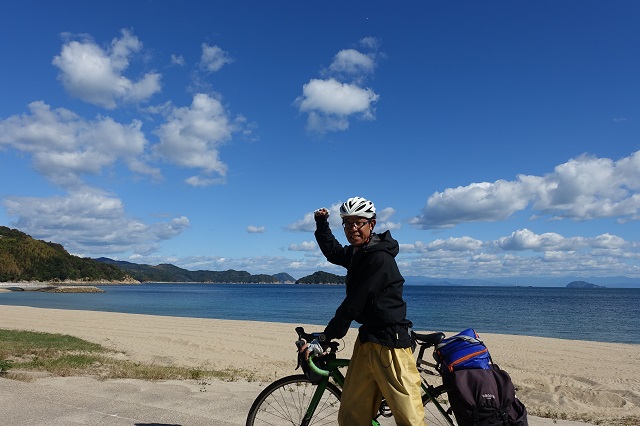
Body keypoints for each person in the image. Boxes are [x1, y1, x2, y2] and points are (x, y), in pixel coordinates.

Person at [302, 196, 425, 426]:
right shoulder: (360, 253)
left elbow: (353, 304)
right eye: (348, 223)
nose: (353, 229)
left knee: (410, 420)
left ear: (372, 224)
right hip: (367, 340)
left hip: (392, 345)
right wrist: (322, 224)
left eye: (359, 223)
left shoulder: (379, 258)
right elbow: (333, 251)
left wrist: (327, 336)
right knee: (351, 415)